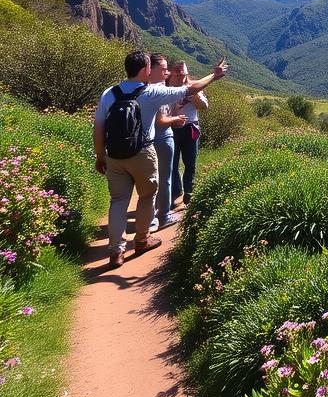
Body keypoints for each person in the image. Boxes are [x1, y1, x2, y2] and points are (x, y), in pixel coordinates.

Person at [93, 50, 228, 269]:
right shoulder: (152, 92)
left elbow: (98, 128)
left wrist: (100, 156)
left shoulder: (109, 93)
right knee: (147, 196)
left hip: (114, 155)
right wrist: (214, 75)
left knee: (118, 201)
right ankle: (141, 240)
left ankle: (116, 252)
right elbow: (191, 88)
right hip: (143, 154)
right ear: (146, 69)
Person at [148, 54, 188, 229]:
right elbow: (160, 120)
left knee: (149, 180)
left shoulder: (133, 89)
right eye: (164, 69)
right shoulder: (156, 90)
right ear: (151, 69)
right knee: (164, 178)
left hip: (143, 142)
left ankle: (149, 219)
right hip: (161, 138)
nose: (167, 72)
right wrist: (175, 119)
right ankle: (162, 215)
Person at [168, 60, 207, 208]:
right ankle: (175, 193)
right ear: (172, 73)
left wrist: (194, 95)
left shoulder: (194, 88)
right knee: (172, 164)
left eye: (183, 73)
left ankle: (189, 195)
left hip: (190, 127)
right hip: (171, 128)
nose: (180, 76)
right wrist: (175, 108)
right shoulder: (167, 89)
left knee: (190, 163)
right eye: (177, 73)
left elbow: (204, 106)